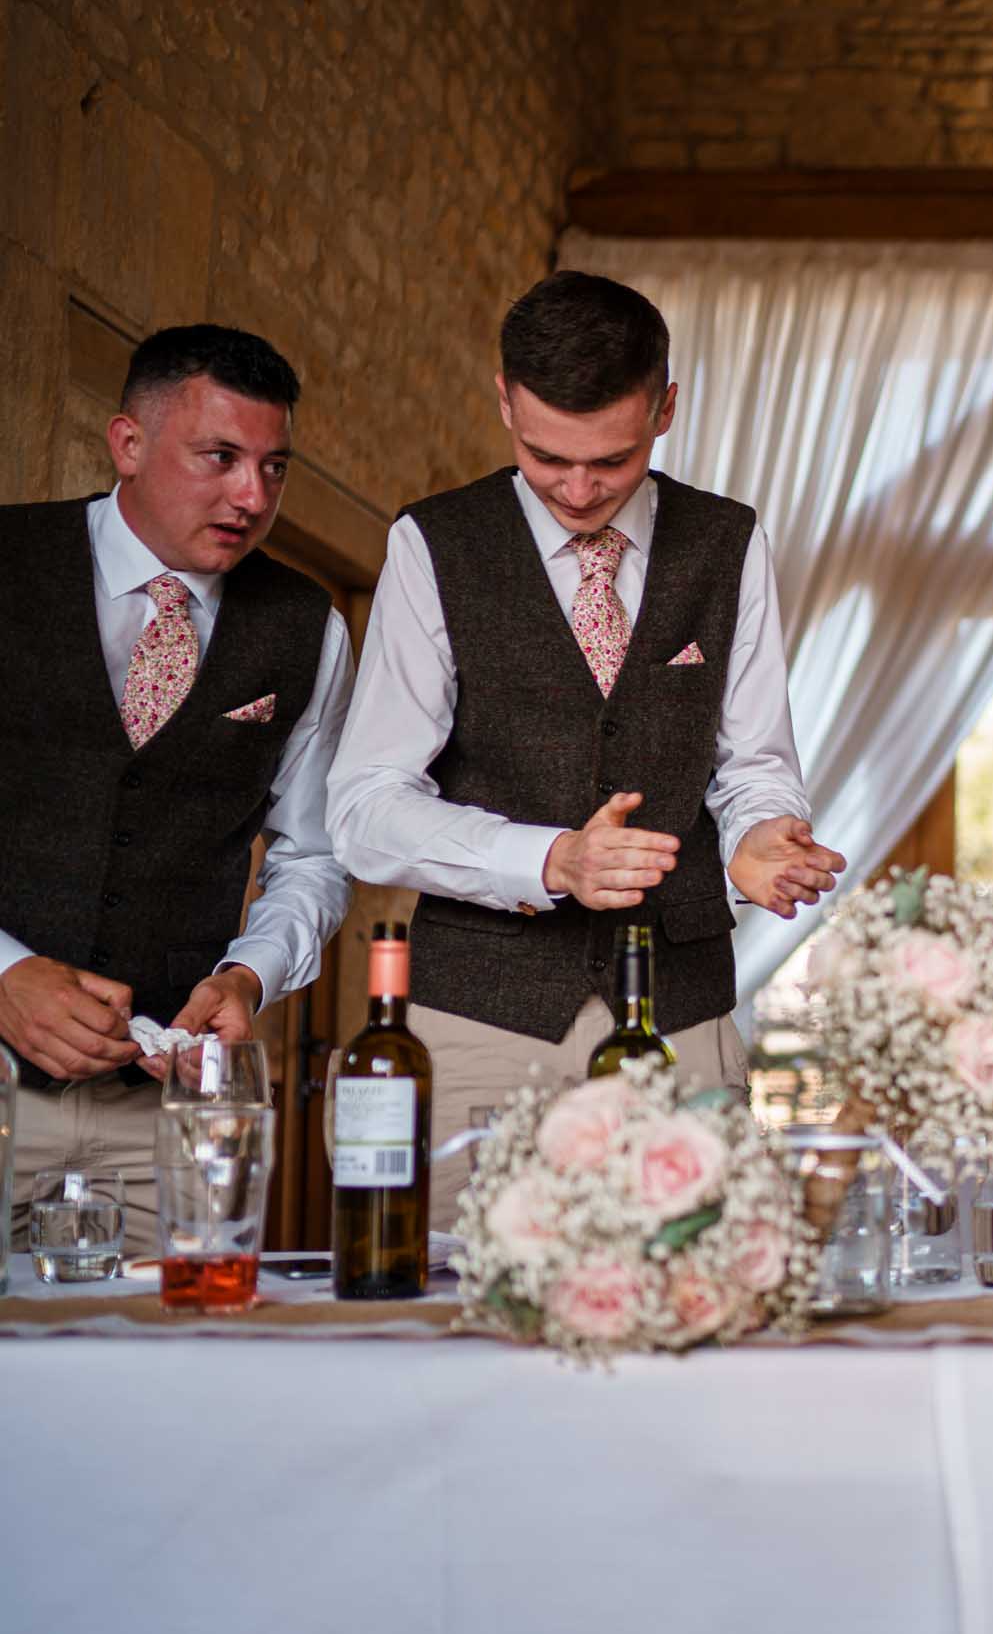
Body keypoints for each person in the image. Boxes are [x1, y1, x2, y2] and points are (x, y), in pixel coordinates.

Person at [328, 271, 842, 1228]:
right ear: (503, 400)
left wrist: (761, 832)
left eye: (609, 459)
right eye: (542, 454)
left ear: (667, 408)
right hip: (480, 1020)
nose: (574, 488)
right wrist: (550, 858)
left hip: (682, 1017)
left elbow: (754, 758)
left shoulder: (728, 542)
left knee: (694, 1306)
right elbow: (363, 809)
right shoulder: (432, 545)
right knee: (454, 1317)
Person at [0, 326, 354, 1249]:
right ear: (127, 443)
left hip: (169, 1113)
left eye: (275, 468)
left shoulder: (307, 629)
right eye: (221, 457)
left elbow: (314, 853)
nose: (253, 496)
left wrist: (249, 975)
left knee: (166, 1373)